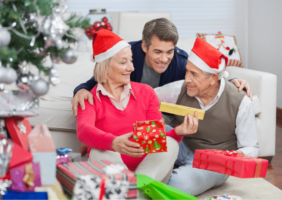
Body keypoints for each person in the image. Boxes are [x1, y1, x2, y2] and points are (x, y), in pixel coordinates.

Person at [76, 29, 199, 183]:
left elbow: (154, 141)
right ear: (105, 66)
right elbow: (83, 130)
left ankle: (134, 189)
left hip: (146, 171)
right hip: (113, 171)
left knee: (171, 144)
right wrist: (113, 143)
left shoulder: (146, 93)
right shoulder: (89, 97)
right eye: (123, 62)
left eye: (131, 60)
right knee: (97, 151)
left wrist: (178, 132)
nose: (131, 68)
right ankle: (137, 192)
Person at [72, 18, 252, 117]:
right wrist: (81, 90)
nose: (164, 59)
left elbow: (204, 79)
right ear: (144, 47)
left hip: (160, 117)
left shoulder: (180, 62)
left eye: (169, 51)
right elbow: (97, 79)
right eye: (158, 51)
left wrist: (230, 82)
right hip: (127, 115)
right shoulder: (127, 55)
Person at [154, 38, 259, 195]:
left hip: (214, 163)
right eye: (187, 71)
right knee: (151, 128)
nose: (187, 78)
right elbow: (147, 97)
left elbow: (252, 146)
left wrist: (241, 154)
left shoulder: (240, 102)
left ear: (213, 79)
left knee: (174, 187)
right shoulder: (179, 88)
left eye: (194, 74)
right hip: (183, 145)